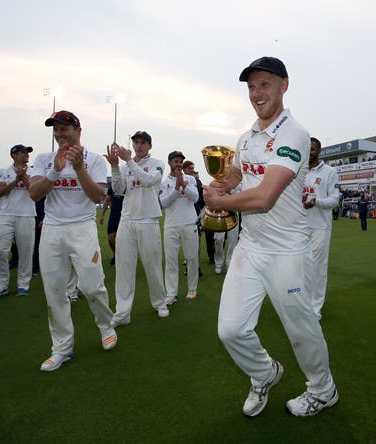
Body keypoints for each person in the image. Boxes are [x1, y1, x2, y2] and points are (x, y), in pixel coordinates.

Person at [204, 57, 337, 417]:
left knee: (301, 328)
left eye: (265, 84)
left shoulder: (294, 132)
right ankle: (264, 373)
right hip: (251, 246)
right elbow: (236, 174)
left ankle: (323, 390)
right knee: (230, 330)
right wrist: (219, 185)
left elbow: (264, 196)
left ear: (284, 85)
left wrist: (223, 202)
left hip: (288, 251)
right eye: (251, 86)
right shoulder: (246, 138)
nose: (257, 93)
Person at [29, 110, 117, 372]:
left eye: (64, 128)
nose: (59, 134)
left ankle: (105, 326)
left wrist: (78, 168)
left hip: (82, 228)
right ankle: (61, 348)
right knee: (55, 292)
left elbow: (96, 196)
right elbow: (34, 194)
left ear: (78, 131)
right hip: (53, 230)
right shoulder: (45, 159)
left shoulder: (93, 160)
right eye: (55, 129)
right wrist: (55, 171)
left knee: (92, 286)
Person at [105, 131, 170, 325]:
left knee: (153, 265)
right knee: (124, 268)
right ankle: (122, 312)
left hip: (148, 219)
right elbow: (118, 190)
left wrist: (129, 162)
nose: (139, 146)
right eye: (136, 142)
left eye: (143, 143)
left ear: (150, 146)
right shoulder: (125, 166)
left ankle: (160, 303)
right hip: (127, 220)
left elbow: (148, 181)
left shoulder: (157, 163)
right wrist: (116, 167)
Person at [0, 144, 36, 299]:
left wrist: (24, 178)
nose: (26, 155)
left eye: (27, 153)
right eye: (23, 152)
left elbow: (35, 192)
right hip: (6, 215)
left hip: (26, 215)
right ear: (14, 155)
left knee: (25, 252)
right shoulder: (4, 171)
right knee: (1, 250)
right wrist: (16, 180)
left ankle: (23, 285)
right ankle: (0, 285)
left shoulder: (34, 171)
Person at [302, 137, 340, 319]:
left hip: (320, 227)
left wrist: (316, 202)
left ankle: (315, 308)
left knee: (317, 268)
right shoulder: (298, 170)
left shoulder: (329, 172)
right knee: (301, 267)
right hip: (299, 226)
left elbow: (334, 200)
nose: (309, 152)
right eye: (306, 148)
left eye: (313, 149)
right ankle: (302, 303)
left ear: (319, 150)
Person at [160, 150, 199, 303]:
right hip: (171, 225)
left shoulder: (190, 179)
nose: (178, 164)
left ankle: (192, 289)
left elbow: (195, 198)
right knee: (171, 261)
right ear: (170, 162)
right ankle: (171, 293)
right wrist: (176, 189)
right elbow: (164, 203)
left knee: (192, 258)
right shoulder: (164, 183)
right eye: (175, 161)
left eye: (180, 162)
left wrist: (184, 185)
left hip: (189, 223)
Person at [213, 184, 241, 275]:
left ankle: (229, 263)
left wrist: (230, 191)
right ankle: (218, 263)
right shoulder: (219, 182)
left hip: (233, 213)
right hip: (220, 213)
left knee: (233, 240)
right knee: (218, 239)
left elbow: (240, 198)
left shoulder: (239, 183)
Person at [99, 181, 124, 266]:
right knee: (110, 238)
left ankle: (125, 257)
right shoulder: (112, 184)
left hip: (127, 215)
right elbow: (107, 200)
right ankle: (116, 254)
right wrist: (102, 215)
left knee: (126, 240)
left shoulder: (128, 181)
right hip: (114, 215)